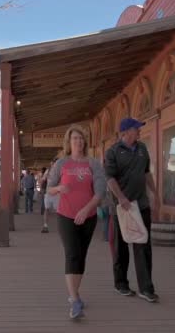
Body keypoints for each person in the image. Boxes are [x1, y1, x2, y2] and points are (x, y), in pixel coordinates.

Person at [47, 125, 106, 320]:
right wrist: (58, 189)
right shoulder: (61, 163)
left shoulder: (93, 163)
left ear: (85, 142)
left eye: (81, 138)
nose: (78, 142)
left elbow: (100, 192)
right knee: (72, 254)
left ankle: (75, 295)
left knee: (81, 256)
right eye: (74, 139)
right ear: (69, 142)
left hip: (88, 217)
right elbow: (49, 188)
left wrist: (86, 209)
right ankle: (74, 301)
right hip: (66, 216)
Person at [104, 117, 158, 303]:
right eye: (137, 128)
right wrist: (121, 198)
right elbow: (110, 178)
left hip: (141, 205)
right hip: (123, 208)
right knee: (122, 247)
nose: (140, 131)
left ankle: (146, 288)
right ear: (126, 132)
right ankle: (121, 283)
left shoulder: (142, 148)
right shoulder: (112, 152)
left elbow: (146, 173)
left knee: (143, 245)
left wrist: (155, 194)